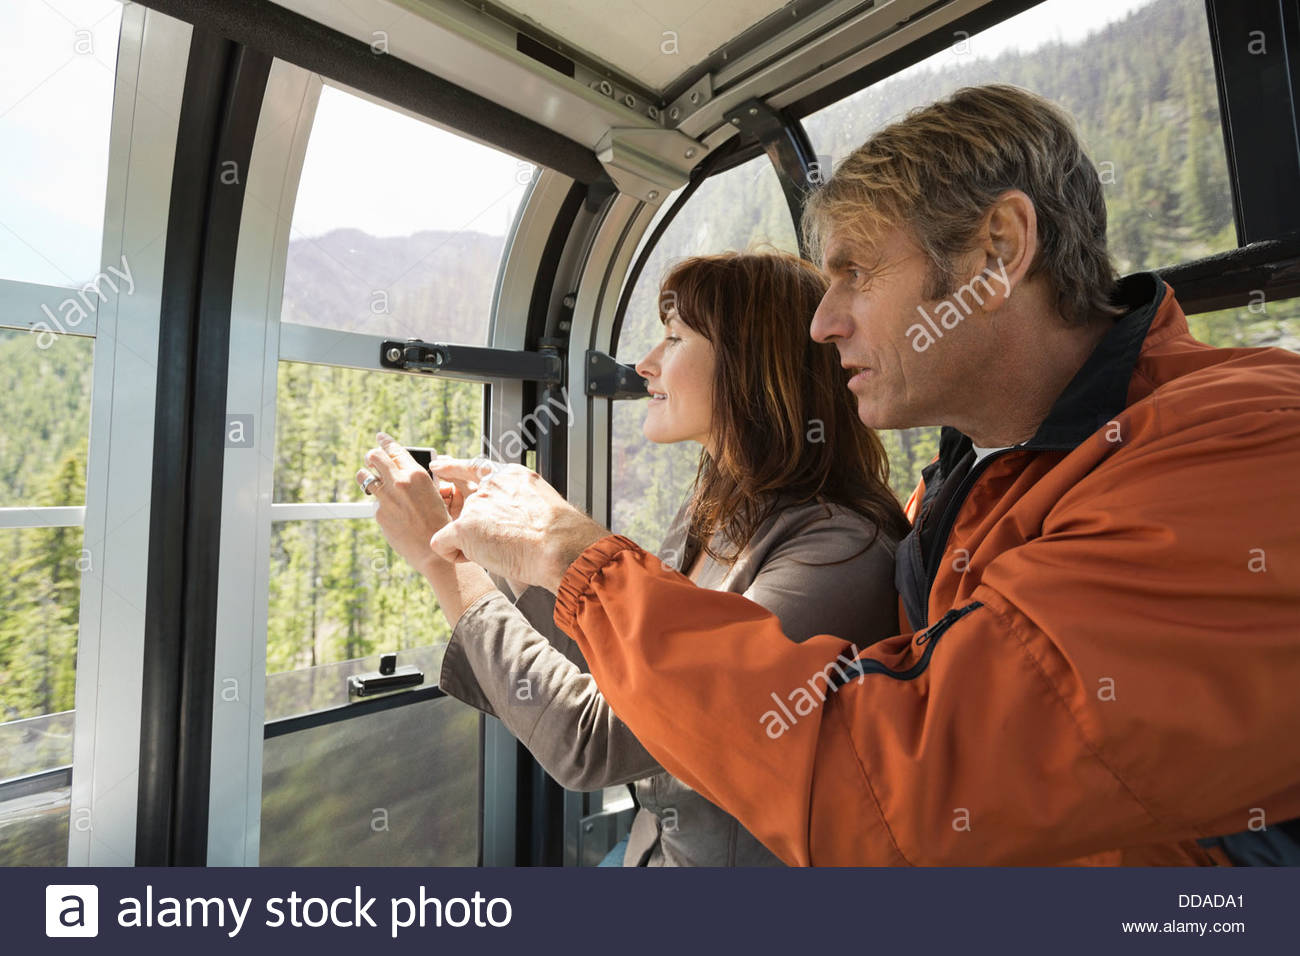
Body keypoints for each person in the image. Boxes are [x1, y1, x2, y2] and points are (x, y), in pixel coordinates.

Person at [426, 84, 1300, 867]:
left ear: (998, 252)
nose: (823, 322)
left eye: (854, 273)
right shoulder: (958, 493)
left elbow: (900, 780)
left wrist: (570, 559)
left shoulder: (1240, 445)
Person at [357, 251, 910, 866]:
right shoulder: (718, 511)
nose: (646, 364)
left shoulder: (839, 556)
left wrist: (442, 562)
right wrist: (501, 546)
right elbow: (619, 663)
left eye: (673, 339)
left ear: (754, 366)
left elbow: (594, 738)